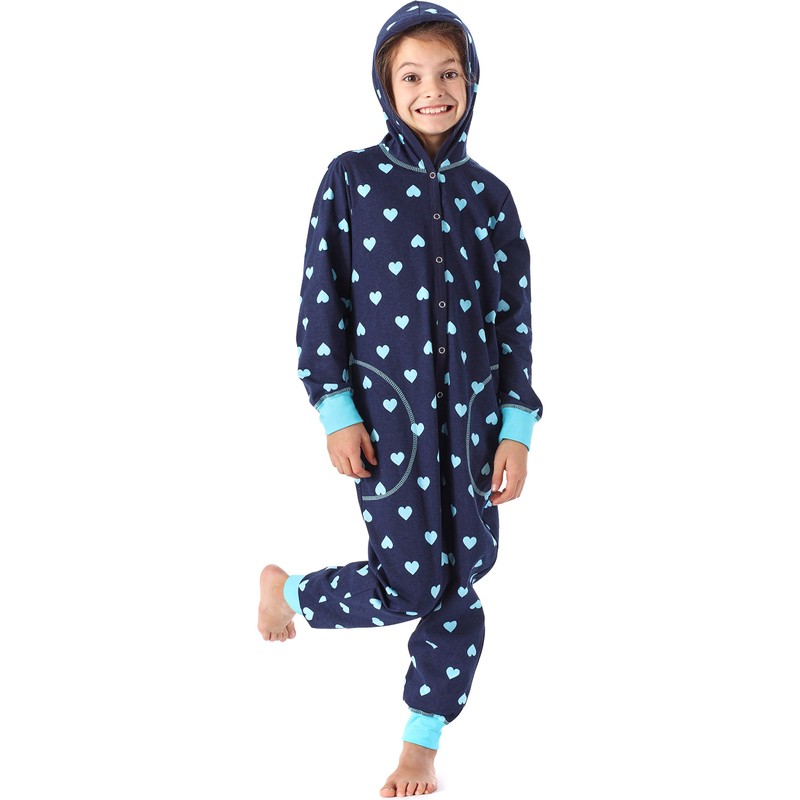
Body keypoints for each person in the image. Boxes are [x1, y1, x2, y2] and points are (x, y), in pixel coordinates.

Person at [257, 3, 543, 795]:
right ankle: (291, 592)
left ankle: (422, 744)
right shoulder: (352, 179)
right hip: (392, 421)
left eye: (448, 73)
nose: (432, 91)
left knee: (465, 572)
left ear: (472, 80)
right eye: (411, 76)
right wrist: (336, 409)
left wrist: (517, 426)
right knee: (413, 580)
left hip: (477, 422)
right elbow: (321, 300)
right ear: (386, 88)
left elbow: (514, 319)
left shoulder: (491, 197)